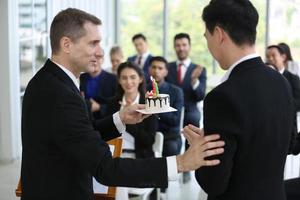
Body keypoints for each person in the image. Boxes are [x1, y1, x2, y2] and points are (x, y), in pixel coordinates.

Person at [20, 8, 225, 200]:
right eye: (93, 43)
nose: (101, 52)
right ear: (66, 44)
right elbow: (105, 167)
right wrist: (181, 162)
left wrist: (120, 119)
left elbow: (80, 135)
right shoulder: (58, 93)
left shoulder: (51, 81)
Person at [183, 0, 295, 200]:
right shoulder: (281, 82)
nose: (208, 44)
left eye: (206, 37)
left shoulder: (222, 97)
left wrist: (200, 149)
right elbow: (288, 143)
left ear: (219, 34)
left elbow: (214, 183)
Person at [166, 32, 207, 182]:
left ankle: (189, 163)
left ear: (189, 47)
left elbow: (200, 96)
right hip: (172, 109)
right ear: (174, 47)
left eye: (184, 45)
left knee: (193, 118)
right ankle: (172, 162)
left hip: (190, 109)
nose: (181, 48)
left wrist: (195, 80)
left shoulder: (199, 69)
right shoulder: (167, 67)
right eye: (178, 45)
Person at [106, 61, 157, 159]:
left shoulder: (149, 104)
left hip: (139, 157)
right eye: (124, 78)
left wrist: (127, 118)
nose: (128, 82)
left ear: (140, 79)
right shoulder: (112, 102)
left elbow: (148, 141)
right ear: (119, 80)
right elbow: (106, 133)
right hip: (113, 156)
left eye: (133, 77)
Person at [148, 56, 184, 157]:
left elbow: (175, 120)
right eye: (154, 67)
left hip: (170, 136)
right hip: (148, 134)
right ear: (149, 70)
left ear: (166, 72)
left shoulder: (176, 92)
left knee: (171, 148)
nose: (156, 71)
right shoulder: (143, 90)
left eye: (160, 68)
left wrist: (156, 108)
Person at [80, 47, 117, 120]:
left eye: (98, 57)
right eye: (91, 57)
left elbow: (117, 104)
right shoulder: (81, 78)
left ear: (103, 60)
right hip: (84, 120)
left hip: (105, 121)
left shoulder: (114, 79)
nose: (94, 60)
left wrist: (100, 107)